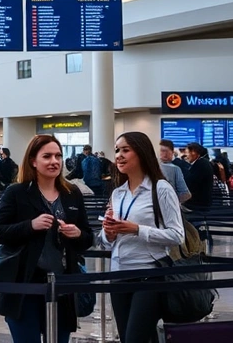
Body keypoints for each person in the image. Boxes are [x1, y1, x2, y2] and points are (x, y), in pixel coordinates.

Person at [0, 135, 93, 343]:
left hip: (63, 286)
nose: (54, 161)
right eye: (47, 156)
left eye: (58, 156)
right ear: (33, 161)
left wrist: (77, 234)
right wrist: (30, 226)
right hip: (25, 285)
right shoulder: (16, 192)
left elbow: (88, 237)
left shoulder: (72, 193)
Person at [98, 131, 183, 343]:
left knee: (135, 338)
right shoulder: (118, 193)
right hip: (118, 275)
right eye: (117, 150)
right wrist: (108, 233)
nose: (119, 155)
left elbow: (177, 235)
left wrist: (137, 229)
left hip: (148, 274)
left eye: (126, 150)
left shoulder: (161, 189)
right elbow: (105, 240)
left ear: (142, 153)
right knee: (128, 337)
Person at [184, 142, 214, 211]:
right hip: (200, 203)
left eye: (187, 153)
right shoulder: (201, 163)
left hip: (198, 205)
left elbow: (190, 183)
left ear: (194, 152)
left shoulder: (201, 165)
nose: (186, 156)